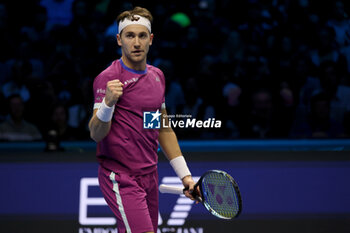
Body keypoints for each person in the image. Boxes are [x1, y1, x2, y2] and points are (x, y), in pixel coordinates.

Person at [88, 7, 196, 233]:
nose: (136, 42)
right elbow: (96, 133)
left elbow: (162, 129)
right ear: (119, 40)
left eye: (142, 35)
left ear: (151, 39)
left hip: (149, 175)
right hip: (120, 176)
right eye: (129, 36)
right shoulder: (107, 78)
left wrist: (185, 176)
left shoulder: (157, 76)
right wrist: (108, 103)